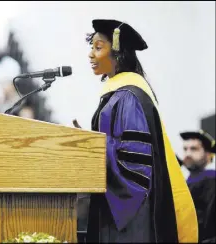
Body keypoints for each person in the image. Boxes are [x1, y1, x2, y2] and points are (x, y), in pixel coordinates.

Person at [84, 19, 197, 243]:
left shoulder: (128, 97)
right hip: (118, 209)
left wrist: (91, 144)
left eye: (98, 47)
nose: (90, 54)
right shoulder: (117, 95)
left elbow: (135, 163)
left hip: (129, 216)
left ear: (118, 53)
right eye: (91, 47)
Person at [180, 130, 215, 243]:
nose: (188, 154)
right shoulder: (183, 183)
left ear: (208, 154)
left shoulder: (212, 181)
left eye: (194, 149)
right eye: (185, 149)